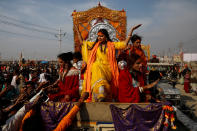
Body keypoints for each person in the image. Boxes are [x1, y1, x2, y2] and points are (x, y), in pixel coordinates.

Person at [75, 24, 142, 102]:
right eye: (98, 36)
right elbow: (83, 43)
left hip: (108, 68)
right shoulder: (94, 45)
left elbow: (124, 44)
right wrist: (77, 30)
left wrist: (131, 30)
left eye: (101, 36)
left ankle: (102, 90)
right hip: (97, 67)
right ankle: (100, 91)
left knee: (97, 66)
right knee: (96, 65)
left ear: (106, 37)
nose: (99, 38)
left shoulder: (112, 45)